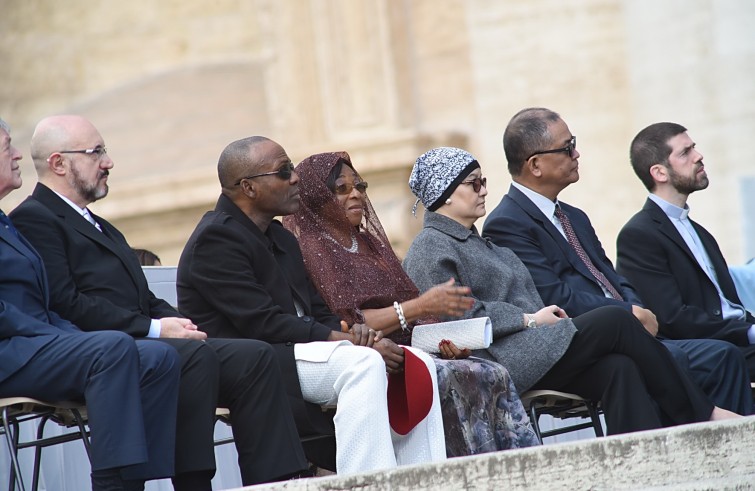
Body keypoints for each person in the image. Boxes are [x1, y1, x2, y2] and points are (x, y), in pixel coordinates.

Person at [10, 115, 310, 488]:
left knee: (254, 357)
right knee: (193, 358)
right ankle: (194, 484)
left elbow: (146, 298)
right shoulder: (34, 219)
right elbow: (66, 303)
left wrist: (181, 324)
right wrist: (155, 329)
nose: (109, 162)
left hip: (144, 341)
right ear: (59, 163)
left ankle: (279, 482)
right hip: (101, 349)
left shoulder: (101, 225)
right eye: (96, 152)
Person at [403, 145, 741, 436]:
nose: (484, 191)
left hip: (535, 347)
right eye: (473, 183)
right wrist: (529, 320)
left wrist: (537, 321)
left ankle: (640, 468)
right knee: (617, 321)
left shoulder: (487, 246)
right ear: (444, 193)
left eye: (484, 182)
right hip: (500, 358)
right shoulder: (430, 247)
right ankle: (702, 414)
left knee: (619, 367)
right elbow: (459, 317)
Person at [176, 136, 447, 475]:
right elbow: (264, 324)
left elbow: (319, 312)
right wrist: (348, 341)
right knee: (362, 364)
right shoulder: (216, 239)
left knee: (414, 363)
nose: (296, 179)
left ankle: (424, 478)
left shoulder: (281, 238)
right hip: (257, 359)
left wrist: (365, 337)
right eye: (284, 171)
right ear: (248, 187)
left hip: (301, 349)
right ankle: (364, 482)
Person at [482, 108, 753, 415]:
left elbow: (612, 277)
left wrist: (639, 309)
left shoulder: (574, 216)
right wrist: (629, 313)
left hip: (630, 329)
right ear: (535, 165)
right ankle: (705, 420)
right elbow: (553, 297)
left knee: (725, 357)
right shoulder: (507, 223)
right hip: (581, 342)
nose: (577, 153)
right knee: (671, 362)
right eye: (567, 147)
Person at [282, 151, 540, 456]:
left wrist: (444, 341)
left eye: (360, 186)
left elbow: (410, 310)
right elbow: (347, 322)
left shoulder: (369, 243)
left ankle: (510, 469)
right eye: (341, 189)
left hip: (410, 350)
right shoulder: (311, 250)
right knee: (448, 377)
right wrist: (417, 308)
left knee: (489, 371)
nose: (355, 194)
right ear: (316, 198)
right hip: (370, 354)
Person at [0, 117, 181, 491]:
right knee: (112, 347)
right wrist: (52, 333)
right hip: (11, 350)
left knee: (158, 357)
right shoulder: (27, 219)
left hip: (35, 342)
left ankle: (137, 483)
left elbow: (42, 300)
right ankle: (110, 485)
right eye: (6, 147)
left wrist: (60, 333)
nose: (18, 154)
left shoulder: (5, 223)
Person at [616, 121, 755, 383]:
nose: (698, 156)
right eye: (685, 152)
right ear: (659, 173)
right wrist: (748, 332)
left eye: (694, 148)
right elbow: (671, 319)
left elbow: (729, 305)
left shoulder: (701, 233)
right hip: (710, 351)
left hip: (737, 342)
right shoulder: (638, 235)